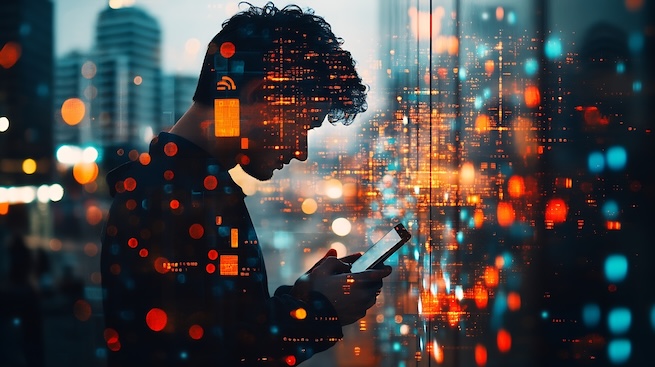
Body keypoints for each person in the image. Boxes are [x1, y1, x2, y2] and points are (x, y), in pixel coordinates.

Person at [100, 3, 391, 366]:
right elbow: (212, 355)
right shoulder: (174, 198)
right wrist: (321, 310)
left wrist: (303, 298)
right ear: (258, 96)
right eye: (301, 125)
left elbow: (224, 324)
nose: (300, 150)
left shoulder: (182, 187)